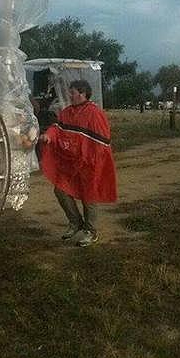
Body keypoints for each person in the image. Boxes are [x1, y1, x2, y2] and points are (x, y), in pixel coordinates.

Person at [39, 79, 117, 247]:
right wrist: (49, 136)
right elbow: (57, 128)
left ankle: (91, 231)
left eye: (72, 92)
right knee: (60, 190)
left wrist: (92, 161)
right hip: (71, 163)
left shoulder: (95, 114)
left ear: (82, 93)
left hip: (89, 163)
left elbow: (102, 141)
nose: (70, 95)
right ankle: (76, 222)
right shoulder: (66, 112)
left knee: (89, 197)